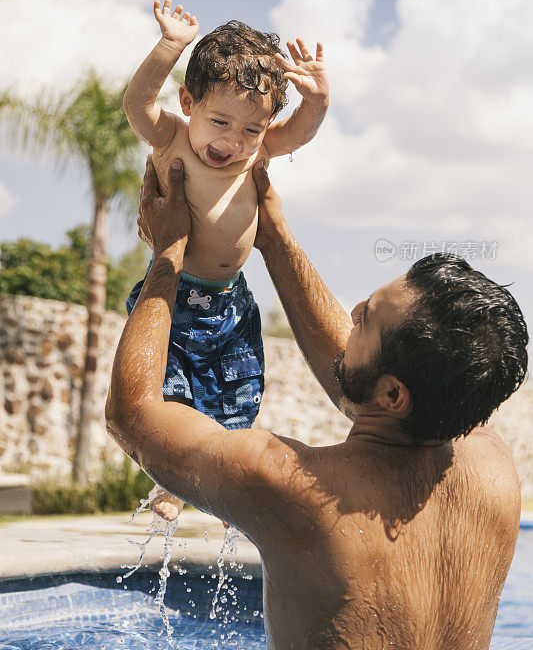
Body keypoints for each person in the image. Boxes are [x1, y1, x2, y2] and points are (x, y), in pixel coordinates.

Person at [106, 157, 528, 650]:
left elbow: (134, 414)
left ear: (393, 395)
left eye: (365, 319)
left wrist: (168, 253)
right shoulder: (494, 470)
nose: (350, 313)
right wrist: (275, 237)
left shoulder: (291, 487)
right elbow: (358, 379)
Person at [123, 0, 329, 520]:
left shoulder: (254, 152)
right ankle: (171, 482)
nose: (233, 142)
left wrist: (318, 100)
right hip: (173, 292)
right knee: (168, 393)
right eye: (220, 121)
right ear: (189, 101)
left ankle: (216, 485)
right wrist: (171, 46)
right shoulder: (172, 135)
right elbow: (137, 103)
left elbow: (300, 132)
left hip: (232, 303)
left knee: (240, 396)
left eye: (252, 130)